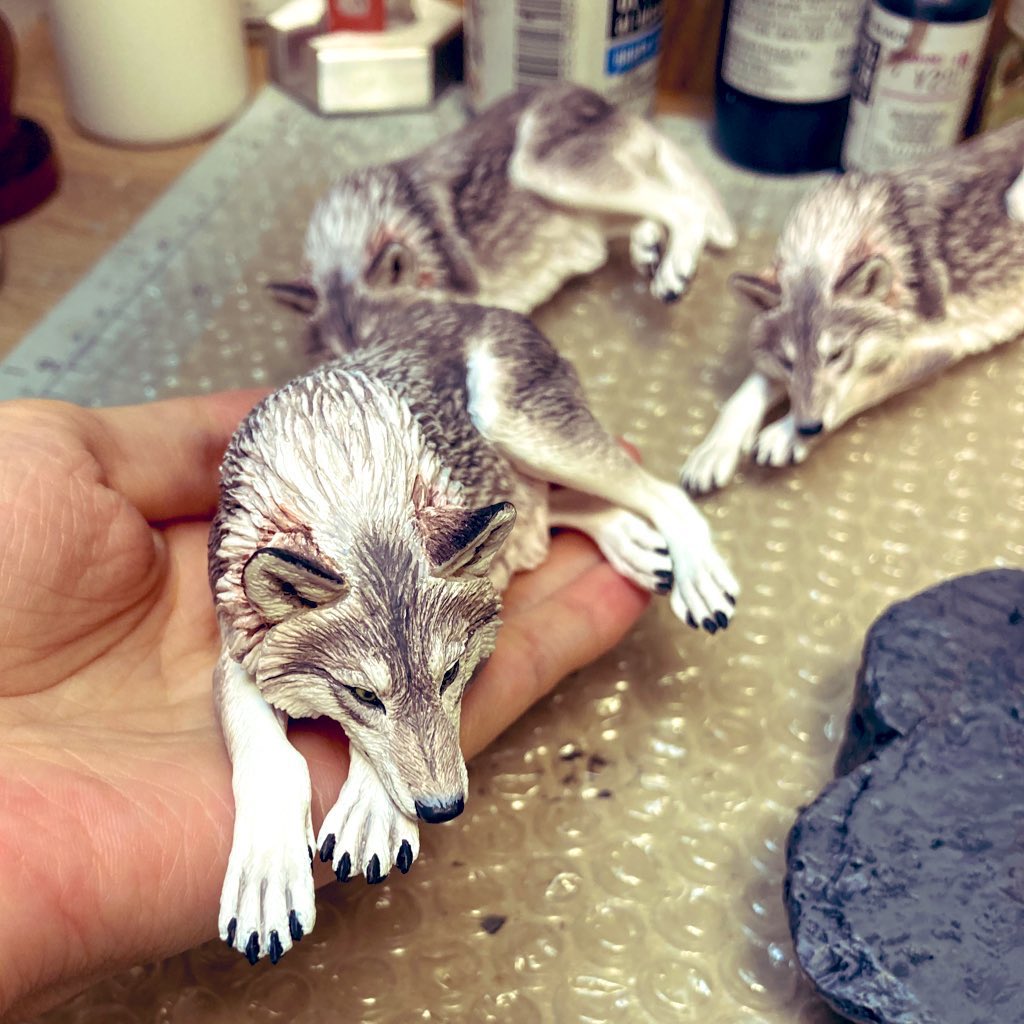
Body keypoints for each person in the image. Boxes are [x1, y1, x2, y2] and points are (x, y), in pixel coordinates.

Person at [0, 391, 649, 1017]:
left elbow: (443, 630)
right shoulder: (267, 576)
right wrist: (268, 804)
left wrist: (376, 772)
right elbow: (248, 661)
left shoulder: (447, 522)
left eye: (446, 674)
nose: (440, 790)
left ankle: (649, 513)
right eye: (365, 693)